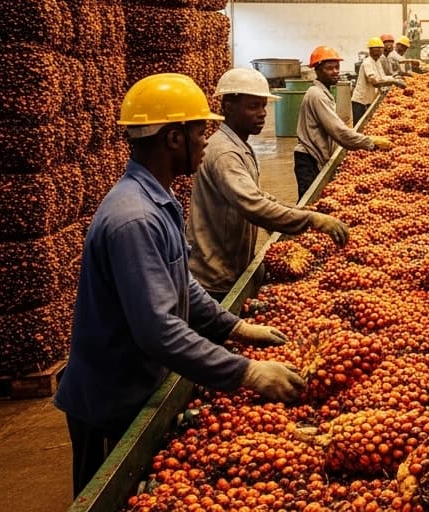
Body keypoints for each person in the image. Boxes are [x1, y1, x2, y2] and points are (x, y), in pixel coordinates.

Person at [55, 73, 306, 495]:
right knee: (105, 493)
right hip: (109, 397)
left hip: (138, 381)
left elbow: (182, 283)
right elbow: (159, 331)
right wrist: (247, 371)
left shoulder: (159, 198)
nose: (208, 141)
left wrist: (234, 327)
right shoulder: (133, 218)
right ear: (174, 138)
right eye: (200, 131)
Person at [187, 68, 350, 301]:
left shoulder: (240, 146)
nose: (262, 113)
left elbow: (260, 197)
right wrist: (310, 220)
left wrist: (299, 213)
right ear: (229, 108)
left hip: (231, 263)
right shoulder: (225, 154)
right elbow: (253, 206)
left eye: (264, 106)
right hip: (215, 275)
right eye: (253, 107)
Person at [296, 46, 393, 198]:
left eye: (337, 67)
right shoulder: (316, 95)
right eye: (329, 68)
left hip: (316, 155)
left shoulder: (324, 93)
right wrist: (369, 142)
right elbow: (339, 132)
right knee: (309, 207)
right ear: (317, 70)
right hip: (308, 158)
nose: (335, 71)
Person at [351, 37, 404, 124]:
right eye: (375, 50)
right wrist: (394, 82)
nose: (378, 53)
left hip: (370, 99)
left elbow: (381, 77)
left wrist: (395, 78)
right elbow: (374, 82)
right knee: (359, 125)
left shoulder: (377, 61)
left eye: (380, 50)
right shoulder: (367, 63)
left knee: (368, 124)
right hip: (361, 101)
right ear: (370, 50)